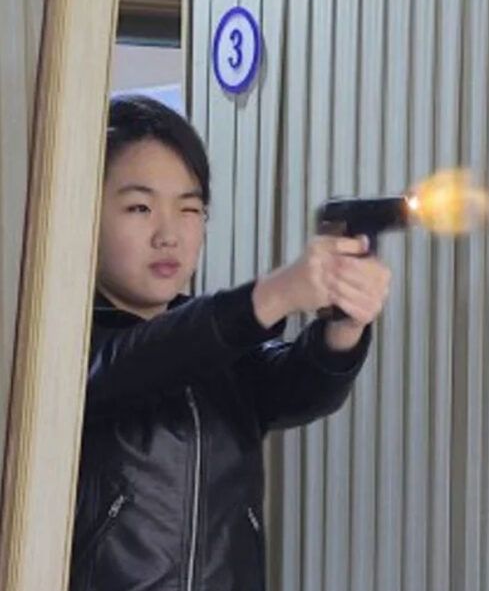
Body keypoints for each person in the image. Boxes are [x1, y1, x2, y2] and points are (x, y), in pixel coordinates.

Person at [70, 96, 391, 591]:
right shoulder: (63, 347)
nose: (169, 235)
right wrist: (276, 293)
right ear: (84, 214)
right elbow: (144, 359)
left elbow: (300, 387)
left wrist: (344, 322)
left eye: (189, 209)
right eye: (139, 207)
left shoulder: (219, 355)